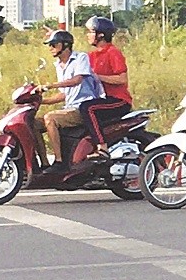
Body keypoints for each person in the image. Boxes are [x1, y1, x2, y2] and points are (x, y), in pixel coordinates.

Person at [35, 30, 104, 174]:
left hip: (83, 108)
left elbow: (76, 80)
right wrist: (40, 101)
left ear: (65, 45)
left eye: (54, 45)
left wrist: (50, 85)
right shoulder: (58, 65)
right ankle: (44, 163)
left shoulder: (80, 58)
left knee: (50, 118)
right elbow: (65, 94)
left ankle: (59, 162)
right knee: (33, 124)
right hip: (69, 107)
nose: (51, 48)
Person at [77, 16, 133, 161]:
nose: (87, 35)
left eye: (90, 32)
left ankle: (102, 147)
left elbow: (122, 79)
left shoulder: (113, 52)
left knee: (87, 108)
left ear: (100, 35)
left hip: (118, 100)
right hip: (101, 99)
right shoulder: (91, 55)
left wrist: (98, 77)